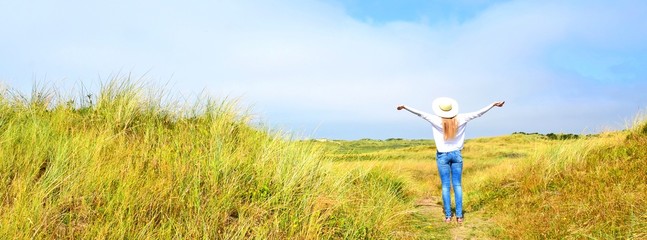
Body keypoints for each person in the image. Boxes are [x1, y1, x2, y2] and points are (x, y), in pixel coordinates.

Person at [397, 98, 505, 224]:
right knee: (457, 185)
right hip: (457, 155)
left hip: (442, 155)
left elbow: (420, 113)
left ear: (440, 110)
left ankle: (448, 216)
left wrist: (405, 107)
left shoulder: (436, 119)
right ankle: (459, 216)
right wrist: (492, 105)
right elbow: (478, 113)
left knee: (445, 186)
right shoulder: (462, 118)